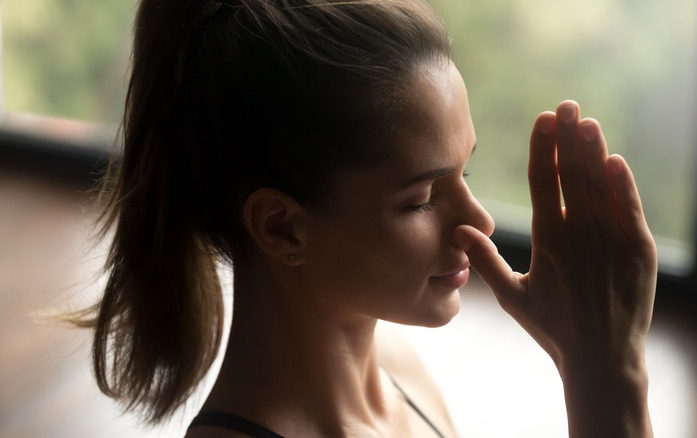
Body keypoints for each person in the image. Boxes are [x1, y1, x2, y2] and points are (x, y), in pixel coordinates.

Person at [80, 0, 657, 436]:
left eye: (465, 175)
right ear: (283, 227)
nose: (477, 223)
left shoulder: (400, 375)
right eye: (420, 200)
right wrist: (604, 374)